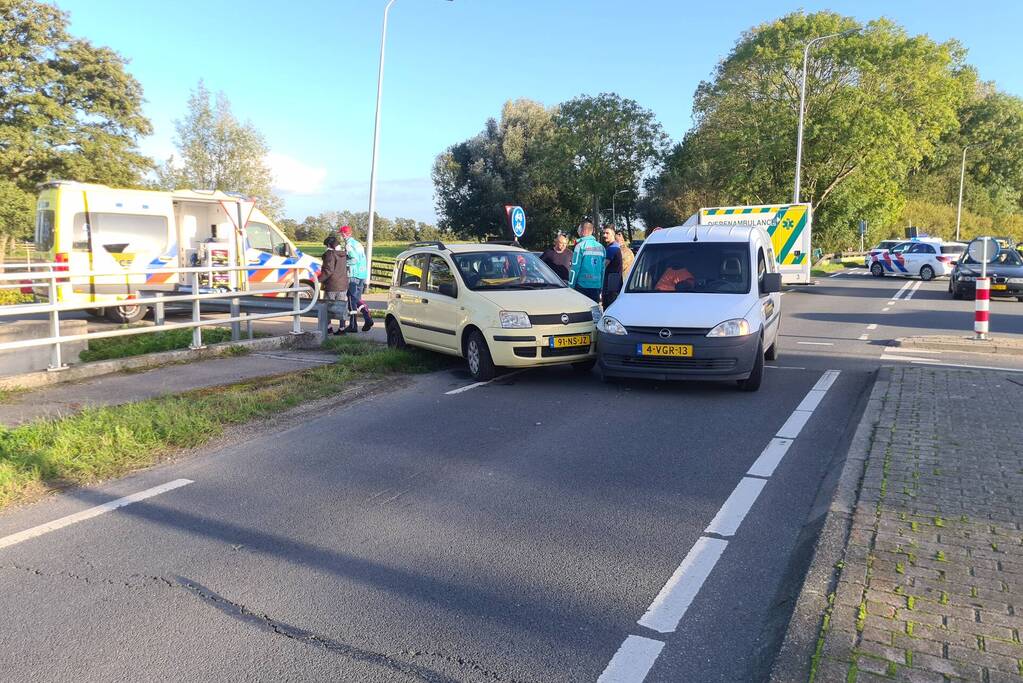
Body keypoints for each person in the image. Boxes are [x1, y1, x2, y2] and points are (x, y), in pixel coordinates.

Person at [339, 225, 374, 332]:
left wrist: (343, 263)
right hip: (362, 274)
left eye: (341, 234)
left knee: (351, 300)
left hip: (353, 274)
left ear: (344, 234)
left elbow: (354, 259)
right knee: (356, 299)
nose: (340, 236)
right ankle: (367, 318)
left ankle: (353, 325)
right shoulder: (358, 243)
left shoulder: (349, 245)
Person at [319, 234, 349, 335]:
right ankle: (342, 328)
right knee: (341, 307)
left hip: (332, 285)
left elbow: (328, 270)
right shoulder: (343, 254)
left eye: (325, 245)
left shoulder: (330, 254)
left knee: (327, 307)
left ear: (329, 245)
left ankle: (329, 328)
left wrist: (318, 279)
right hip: (343, 284)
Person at [568, 220, 605, 302]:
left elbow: (575, 268)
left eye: (578, 229)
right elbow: (603, 269)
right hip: (596, 286)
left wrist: (570, 286)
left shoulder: (580, 246)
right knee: (593, 312)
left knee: (580, 312)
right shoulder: (601, 247)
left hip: (582, 287)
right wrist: (601, 287)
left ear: (583, 231)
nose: (578, 232)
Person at [602, 226, 623, 307]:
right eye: (603, 233)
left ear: (613, 235)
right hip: (614, 284)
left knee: (608, 309)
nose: (604, 235)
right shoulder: (614, 246)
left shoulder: (612, 248)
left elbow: (603, 266)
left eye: (607, 233)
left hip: (611, 286)